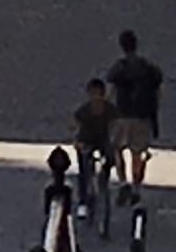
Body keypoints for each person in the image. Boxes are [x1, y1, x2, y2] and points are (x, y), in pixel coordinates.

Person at [103, 30, 166, 193]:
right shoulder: (149, 69)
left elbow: (110, 92)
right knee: (137, 152)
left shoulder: (118, 68)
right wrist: (154, 114)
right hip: (142, 116)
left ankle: (123, 180)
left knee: (117, 149)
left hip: (121, 115)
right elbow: (157, 94)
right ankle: (136, 185)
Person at [67, 77, 119, 221]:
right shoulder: (83, 111)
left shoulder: (110, 109)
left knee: (110, 157)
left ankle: (104, 177)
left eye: (98, 94)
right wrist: (76, 141)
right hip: (86, 141)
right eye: (93, 94)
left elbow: (116, 125)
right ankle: (83, 202)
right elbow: (75, 127)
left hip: (102, 140)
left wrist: (116, 140)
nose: (96, 97)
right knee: (84, 170)